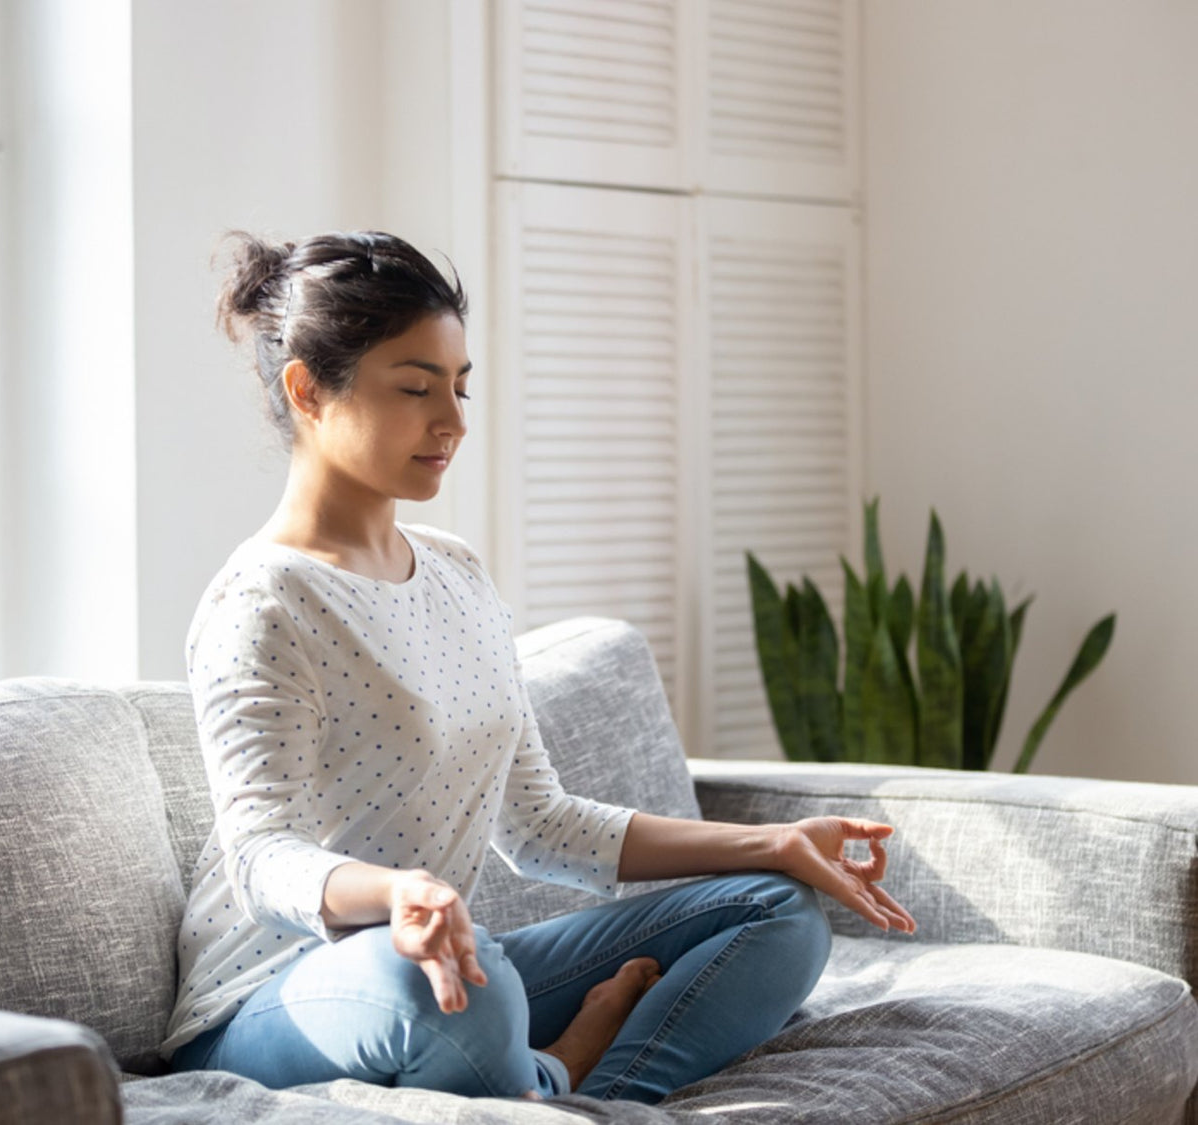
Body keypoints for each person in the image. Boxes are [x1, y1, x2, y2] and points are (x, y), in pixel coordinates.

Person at [162, 229, 916, 1104]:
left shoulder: (456, 572)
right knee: (458, 991)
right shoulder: (265, 601)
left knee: (777, 910)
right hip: (273, 1000)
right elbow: (261, 856)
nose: (453, 421)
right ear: (308, 391)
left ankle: (593, 1101)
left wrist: (775, 843)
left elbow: (540, 822)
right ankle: (556, 1071)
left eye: (459, 385)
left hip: (451, 962)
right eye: (415, 388)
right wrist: (397, 893)